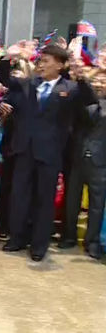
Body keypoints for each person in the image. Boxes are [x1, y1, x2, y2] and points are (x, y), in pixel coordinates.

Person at [0, 41, 96, 261]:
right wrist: (7, 57)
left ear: (60, 65)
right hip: (24, 149)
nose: (41, 64)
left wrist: (81, 77)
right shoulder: (28, 83)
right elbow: (5, 80)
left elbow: (89, 100)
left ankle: (39, 245)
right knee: (19, 196)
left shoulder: (70, 89)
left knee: (44, 199)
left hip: (50, 152)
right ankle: (17, 238)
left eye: (46, 61)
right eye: (40, 60)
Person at [72, 69, 105, 259]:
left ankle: (92, 242)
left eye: (104, 81)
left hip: (100, 162)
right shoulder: (86, 103)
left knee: (96, 204)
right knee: (72, 200)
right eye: (97, 81)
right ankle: (69, 236)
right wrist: (83, 81)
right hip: (78, 157)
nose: (100, 84)